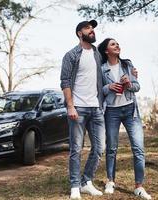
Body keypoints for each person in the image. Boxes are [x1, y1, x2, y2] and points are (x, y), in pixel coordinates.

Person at [98, 38, 152, 200]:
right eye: (113, 44)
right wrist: (108, 87)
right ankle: (110, 181)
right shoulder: (101, 69)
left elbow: (137, 87)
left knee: (138, 148)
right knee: (112, 148)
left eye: (118, 44)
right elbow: (97, 91)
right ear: (106, 51)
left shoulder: (127, 65)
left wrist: (129, 83)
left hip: (131, 111)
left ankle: (139, 186)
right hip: (112, 112)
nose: (117, 46)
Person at [60, 20, 105, 200]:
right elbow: (65, 82)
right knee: (76, 149)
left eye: (92, 28)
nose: (92, 30)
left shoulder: (98, 54)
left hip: (96, 108)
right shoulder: (71, 55)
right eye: (87, 28)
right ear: (80, 33)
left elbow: (109, 69)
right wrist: (70, 106)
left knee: (99, 148)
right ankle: (74, 186)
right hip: (78, 108)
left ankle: (86, 182)